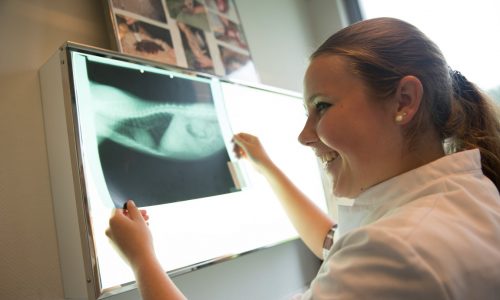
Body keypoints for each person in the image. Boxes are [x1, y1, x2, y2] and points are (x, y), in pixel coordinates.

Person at [105, 17, 500, 299]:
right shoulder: (467, 193)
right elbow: (335, 241)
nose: (304, 135)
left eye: (322, 107)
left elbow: (369, 252)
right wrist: (267, 167)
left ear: (404, 101)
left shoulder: (395, 253)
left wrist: (142, 260)